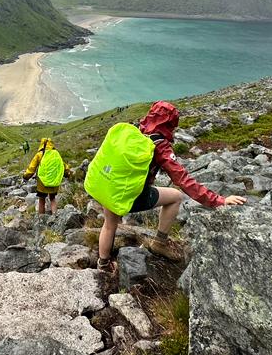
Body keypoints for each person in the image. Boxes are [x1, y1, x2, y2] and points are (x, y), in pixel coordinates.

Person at [87, 101, 246, 272]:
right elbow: (183, 180)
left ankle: (103, 264)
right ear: (170, 124)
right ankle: (159, 243)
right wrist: (219, 201)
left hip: (107, 186)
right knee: (175, 197)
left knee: (110, 225)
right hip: (130, 194)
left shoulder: (135, 131)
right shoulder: (159, 145)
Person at [24, 138, 64, 216]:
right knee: (52, 199)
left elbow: (32, 167)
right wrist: (68, 173)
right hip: (54, 181)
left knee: (41, 200)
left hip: (42, 182)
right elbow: (62, 165)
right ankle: (55, 217)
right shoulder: (56, 153)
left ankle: (41, 218)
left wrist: (26, 176)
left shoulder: (40, 154)